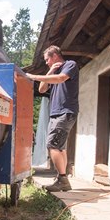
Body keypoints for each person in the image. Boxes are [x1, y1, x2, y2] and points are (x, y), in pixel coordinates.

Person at [26, 45, 79, 192]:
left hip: (65, 111)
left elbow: (62, 78)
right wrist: (50, 71)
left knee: (53, 145)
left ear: (55, 55)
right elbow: (42, 89)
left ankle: (62, 179)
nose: (46, 63)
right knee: (60, 147)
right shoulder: (53, 72)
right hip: (57, 113)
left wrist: (34, 76)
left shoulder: (70, 65)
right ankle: (62, 178)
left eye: (47, 60)